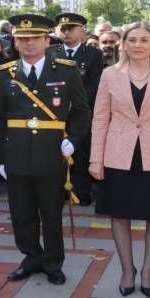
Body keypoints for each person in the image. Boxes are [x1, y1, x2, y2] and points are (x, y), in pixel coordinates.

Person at [90, 23, 150, 297]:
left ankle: (147, 269)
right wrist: (95, 159)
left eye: (143, 40)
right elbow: (100, 119)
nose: (137, 45)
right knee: (119, 214)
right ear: (123, 44)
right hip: (118, 154)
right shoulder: (110, 75)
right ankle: (126, 269)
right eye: (131, 39)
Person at [0, 14, 90, 285]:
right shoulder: (4, 73)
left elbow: (82, 112)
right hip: (17, 152)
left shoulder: (66, 70)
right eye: (22, 39)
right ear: (15, 42)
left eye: (34, 38)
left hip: (52, 152)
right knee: (21, 212)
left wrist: (74, 140)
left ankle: (53, 262)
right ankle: (31, 257)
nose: (28, 43)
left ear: (47, 40)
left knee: (51, 212)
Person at [52, 13, 104, 206]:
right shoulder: (51, 52)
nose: (65, 33)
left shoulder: (93, 54)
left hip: (81, 113)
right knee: (56, 154)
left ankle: (82, 192)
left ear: (82, 30)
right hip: (54, 113)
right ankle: (59, 192)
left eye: (70, 29)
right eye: (62, 29)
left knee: (81, 154)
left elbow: (94, 83)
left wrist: (76, 103)